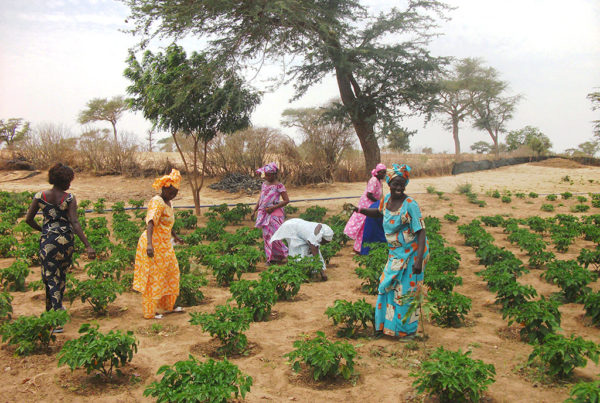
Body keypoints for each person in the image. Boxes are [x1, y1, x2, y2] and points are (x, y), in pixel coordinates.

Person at [354, 164, 428, 339]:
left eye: (402, 184)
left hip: (413, 252)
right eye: (395, 184)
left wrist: (418, 261)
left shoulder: (410, 204)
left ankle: (406, 332)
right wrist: (361, 210)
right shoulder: (386, 199)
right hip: (396, 253)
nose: (399, 188)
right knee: (385, 285)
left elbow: (421, 231)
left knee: (406, 292)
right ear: (389, 183)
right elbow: (379, 213)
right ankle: (384, 327)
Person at [25, 163, 96, 327]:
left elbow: (28, 219)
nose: (70, 184)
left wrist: (43, 230)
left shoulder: (40, 196)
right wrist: (87, 245)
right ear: (64, 181)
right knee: (61, 276)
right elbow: (75, 222)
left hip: (48, 240)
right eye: (69, 180)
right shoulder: (69, 198)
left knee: (49, 277)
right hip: (66, 241)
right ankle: (52, 310)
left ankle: (56, 319)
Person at [133, 169, 185, 319]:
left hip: (165, 244)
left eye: (175, 193)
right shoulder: (157, 201)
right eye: (171, 192)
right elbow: (151, 223)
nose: (173, 195)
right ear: (164, 188)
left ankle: (167, 306)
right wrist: (150, 245)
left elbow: (167, 224)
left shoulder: (169, 203)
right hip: (154, 243)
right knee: (154, 277)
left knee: (171, 272)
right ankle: (150, 311)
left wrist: (176, 236)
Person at [252, 162, 289, 264]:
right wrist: (255, 210)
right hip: (264, 214)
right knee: (267, 236)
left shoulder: (279, 186)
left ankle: (284, 255)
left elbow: (286, 200)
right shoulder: (264, 184)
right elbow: (261, 198)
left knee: (277, 236)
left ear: (274, 174)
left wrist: (273, 207)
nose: (267, 177)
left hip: (275, 214)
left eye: (269, 175)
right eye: (266, 175)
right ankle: (271, 258)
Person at [344, 163, 386, 253]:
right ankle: (358, 248)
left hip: (372, 205)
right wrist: (379, 203)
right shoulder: (373, 180)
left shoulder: (379, 181)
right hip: (367, 205)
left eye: (385, 172)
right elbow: (369, 194)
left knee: (365, 227)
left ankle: (358, 248)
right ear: (377, 173)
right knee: (363, 226)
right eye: (382, 172)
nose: (384, 174)